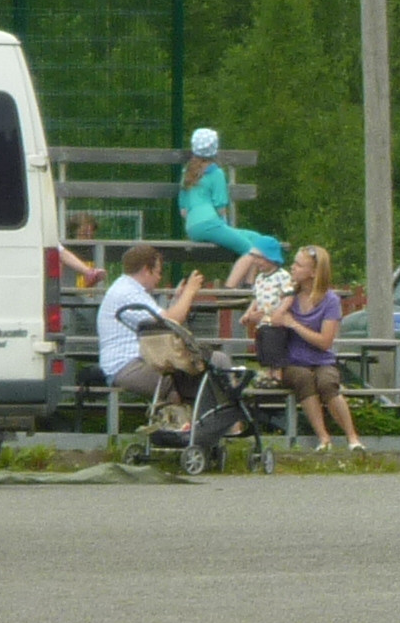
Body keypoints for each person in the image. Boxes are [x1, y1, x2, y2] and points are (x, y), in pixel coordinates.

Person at [255, 242, 364, 457]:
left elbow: (325, 341)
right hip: (293, 360)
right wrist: (287, 301)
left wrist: (294, 324)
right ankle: (323, 437)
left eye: (299, 265)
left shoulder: (330, 301)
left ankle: (353, 437)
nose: (292, 268)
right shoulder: (289, 294)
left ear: (313, 272)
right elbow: (276, 320)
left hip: (321, 358)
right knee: (303, 379)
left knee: (327, 382)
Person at [94, 243, 206, 430]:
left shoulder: (130, 290)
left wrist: (179, 299)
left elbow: (164, 322)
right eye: (158, 273)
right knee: (184, 378)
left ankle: (183, 428)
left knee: (187, 375)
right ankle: (191, 430)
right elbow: (171, 321)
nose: (159, 279)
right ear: (146, 270)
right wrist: (189, 293)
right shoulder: (128, 293)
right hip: (126, 366)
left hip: (132, 362)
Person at [176, 128, 280, 281]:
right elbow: (220, 207)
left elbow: (183, 210)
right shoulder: (216, 173)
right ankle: (232, 288)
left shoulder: (187, 171)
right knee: (251, 251)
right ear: (214, 150)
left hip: (192, 227)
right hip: (211, 223)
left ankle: (249, 285)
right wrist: (223, 226)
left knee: (255, 238)